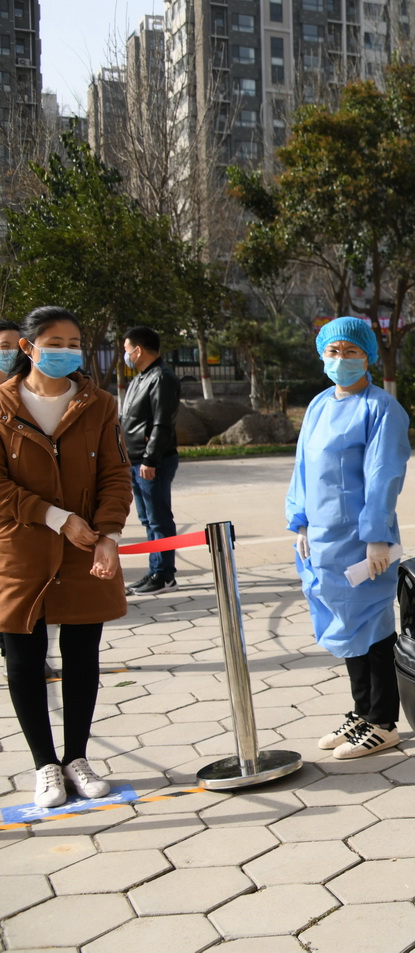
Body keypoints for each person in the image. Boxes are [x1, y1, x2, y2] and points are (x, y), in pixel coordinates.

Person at [0, 306, 133, 808]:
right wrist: (55, 517)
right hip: (21, 549)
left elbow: (115, 475)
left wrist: (108, 535)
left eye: (74, 343)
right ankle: (45, 764)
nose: (66, 351)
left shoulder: (99, 404)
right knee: (23, 660)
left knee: (82, 656)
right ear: (28, 347)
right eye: (54, 343)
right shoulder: (2, 404)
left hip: (85, 548)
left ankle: (77, 757)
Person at [285, 316, 410, 759]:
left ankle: (383, 721)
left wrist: (377, 536)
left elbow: (383, 475)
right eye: (333, 351)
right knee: (345, 626)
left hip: (363, 541)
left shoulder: (381, 409)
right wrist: (300, 520)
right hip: (323, 540)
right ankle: (362, 712)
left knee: (374, 628)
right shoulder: (320, 405)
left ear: (368, 356)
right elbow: (303, 468)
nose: (341, 359)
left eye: (351, 351)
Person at [120, 326, 181, 595]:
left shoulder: (162, 378)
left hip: (152, 461)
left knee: (159, 519)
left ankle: (164, 575)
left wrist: (150, 460)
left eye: (126, 350)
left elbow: (161, 424)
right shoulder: (140, 378)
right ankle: (155, 570)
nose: (125, 356)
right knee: (147, 519)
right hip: (135, 460)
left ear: (138, 350)